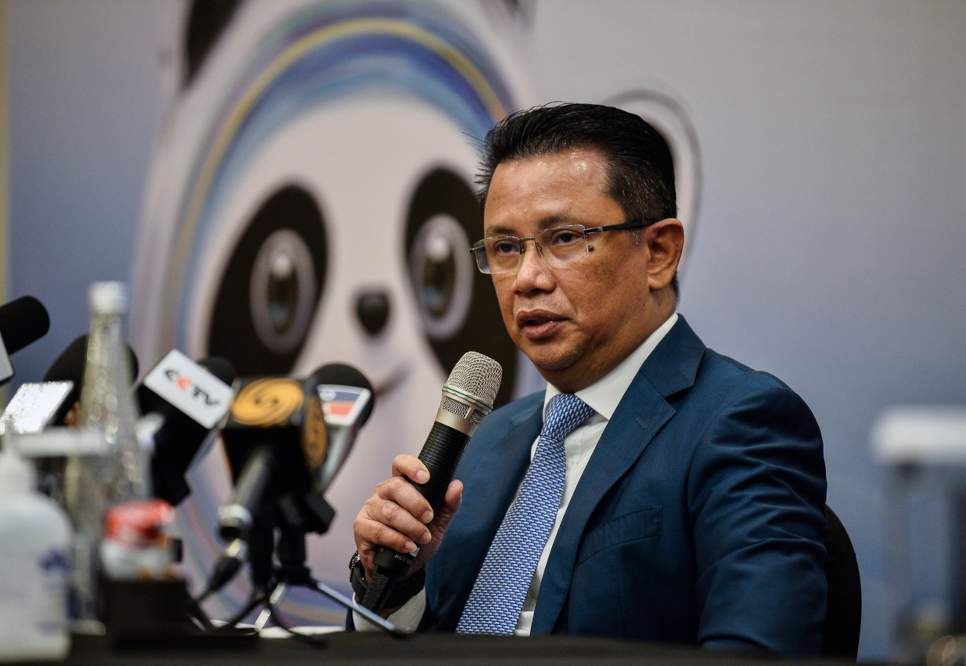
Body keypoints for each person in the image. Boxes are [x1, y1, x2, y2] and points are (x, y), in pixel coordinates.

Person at [350, 103, 827, 655]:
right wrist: (397, 588)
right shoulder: (489, 443)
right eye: (506, 248)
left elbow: (758, 651)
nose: (527, 278)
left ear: (659, 252)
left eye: (565, 239)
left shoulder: (743, 423)